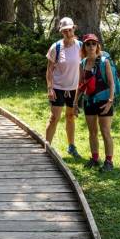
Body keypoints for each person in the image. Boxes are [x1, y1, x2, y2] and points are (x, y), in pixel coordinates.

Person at [74, 33, 115, 172]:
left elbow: (111, 83)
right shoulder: (83, 63)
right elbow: (80, 85)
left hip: (104, 100)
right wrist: (75, 103)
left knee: (105, 132)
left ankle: (109, 161)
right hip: (89, 101)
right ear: (84, 47)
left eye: (93, 43)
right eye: (88, 44)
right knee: (92, 132)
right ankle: (95, 158)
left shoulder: (104, 62)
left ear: (97, 46)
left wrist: (110, 101)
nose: (91, 46)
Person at [45, 17, 82, 159]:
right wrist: (50, 88)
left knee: (70, 117)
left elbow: (85, 65)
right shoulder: (56, 47)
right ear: (61, 32)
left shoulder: (80, 46)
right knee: (54, 117)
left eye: (70, 29)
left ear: (74, 29)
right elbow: (49, 70)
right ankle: (47, 146)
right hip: (58, 87)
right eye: (65, 30)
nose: (68, 32)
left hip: (74, 88)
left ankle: (71, 146)